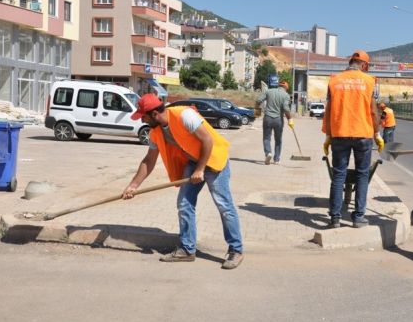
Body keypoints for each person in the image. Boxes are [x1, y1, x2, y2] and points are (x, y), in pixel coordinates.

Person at [122, 94, 244, 269]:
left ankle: (236, 249)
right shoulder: (155, 132)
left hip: (214, 160)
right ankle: (187, 249)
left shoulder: (184, 115)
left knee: (223, 205)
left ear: (154, 114)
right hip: (194, 162)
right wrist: (133, 186)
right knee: (184, 204)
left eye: (144, 116)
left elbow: (207, 140)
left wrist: (200, 169)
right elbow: (149, 160)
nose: (142, 119)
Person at [323, 50, 384, 228]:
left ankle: (334, 218)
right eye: (368, 66)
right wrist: (377, 134)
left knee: (338, 175)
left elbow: (329, 110)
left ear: (351, 62)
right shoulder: (369, 81)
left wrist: (328, 135)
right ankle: (358, 218)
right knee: (362, 175)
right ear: (364, 65)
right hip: (363, 135)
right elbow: (373, 111)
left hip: (339, 134)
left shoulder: (334, 80)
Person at [255, 77, 294, 165]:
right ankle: (276, 159)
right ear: (286, 88)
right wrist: (290, 119)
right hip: (278, 120)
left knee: (266, 138)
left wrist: (257, 110)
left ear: (278, 86)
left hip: (267, 118)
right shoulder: (286, 95)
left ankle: (268, 153)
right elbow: (285, 108)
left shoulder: (269, 91)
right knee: (278, 140)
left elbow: (258, 100)